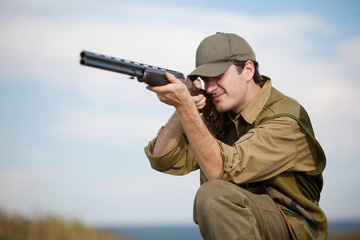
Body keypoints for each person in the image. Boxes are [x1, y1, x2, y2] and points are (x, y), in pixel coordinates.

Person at [144, 32, 327, 240]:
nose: (210, 87)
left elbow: (220, 171)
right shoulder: (222, 115)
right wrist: (182, 107)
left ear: (248, 70)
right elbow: (163, 159)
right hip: (247, 222)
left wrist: (187, 107)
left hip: (292, 225)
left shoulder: (285, 120)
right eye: (205, 79)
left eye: (218, 76)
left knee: (214, 195)